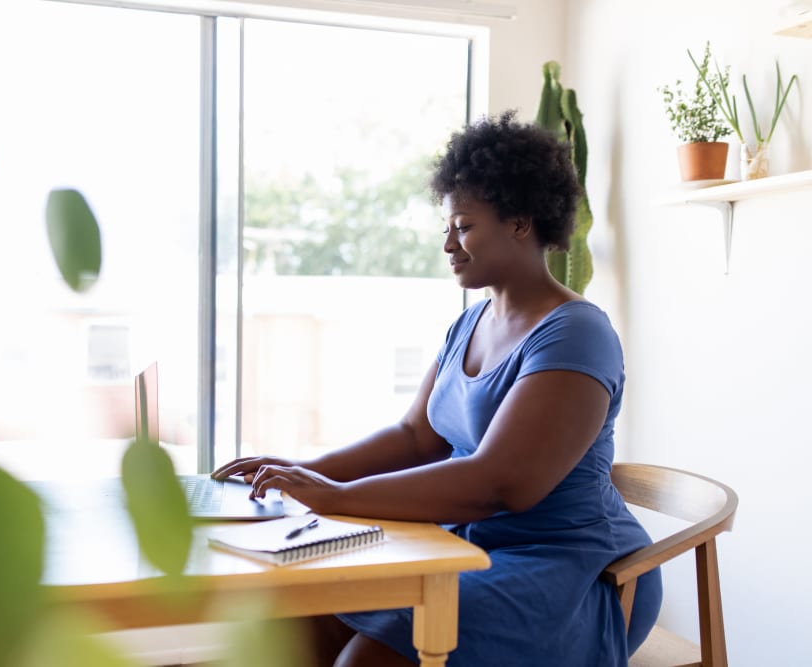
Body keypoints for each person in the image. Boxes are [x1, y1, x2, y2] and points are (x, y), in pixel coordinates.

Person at [212, 110, 661, 666]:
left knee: (365, 658)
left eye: (465, 225)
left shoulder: (577, 334)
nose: (449, 243)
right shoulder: (470, 323)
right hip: (464, 544)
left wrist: (338, 497)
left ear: (521, 222)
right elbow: (415, 436)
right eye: (446, 227)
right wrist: (308, 475)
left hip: (564, 570)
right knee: (300, 618)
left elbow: (504, 483)